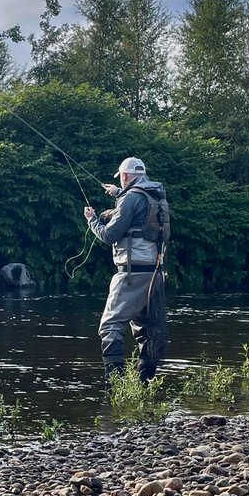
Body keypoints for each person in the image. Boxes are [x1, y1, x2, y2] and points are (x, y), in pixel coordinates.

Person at [83, 156, 169, 382]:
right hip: (155, 274)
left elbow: (109, 235)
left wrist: (92, 221)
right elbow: (138, 209)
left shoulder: (130, 198)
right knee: (149, 330)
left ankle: (115, 385)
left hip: (131, 273)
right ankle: (144, 383)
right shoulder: (157, 195)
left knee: (110, 325)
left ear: (124, 176)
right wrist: (118, 193)